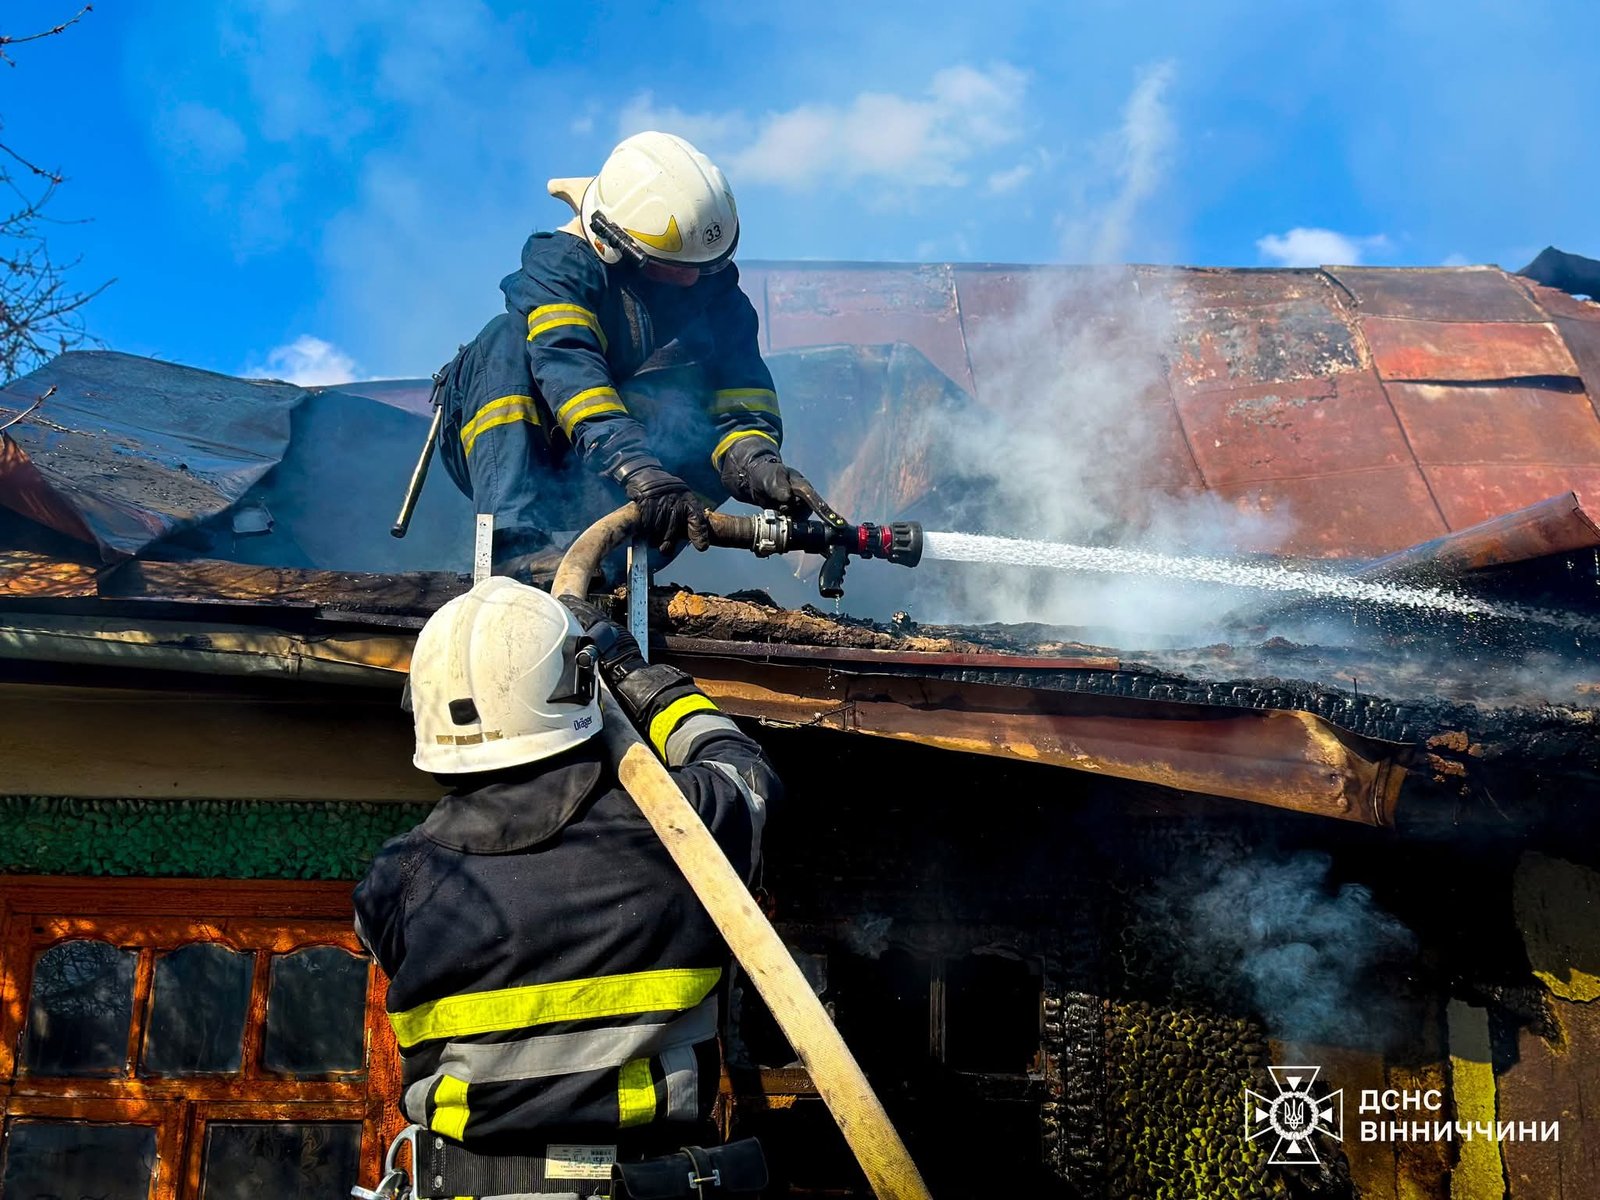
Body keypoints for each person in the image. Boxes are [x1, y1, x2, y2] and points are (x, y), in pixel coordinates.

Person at [353, 578, 779, 1196]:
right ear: (577, 687)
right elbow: (745, 771)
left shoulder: (394, 881)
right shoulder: (677, 828)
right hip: (648, 1181)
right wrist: (637, 677)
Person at [434, 130, 841, 582]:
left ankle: (614, 559)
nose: (693, 281)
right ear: (613, 246)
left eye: (705, 266)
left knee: (688, 411)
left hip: (623, 469)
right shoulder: (562, 269)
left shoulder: (719, 295)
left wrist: (757, 463)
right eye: (675, 266)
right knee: (505, 339)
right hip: (538, 447)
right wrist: (639, 469)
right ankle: (516, 546)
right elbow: (570, 368)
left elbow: (741, 401)